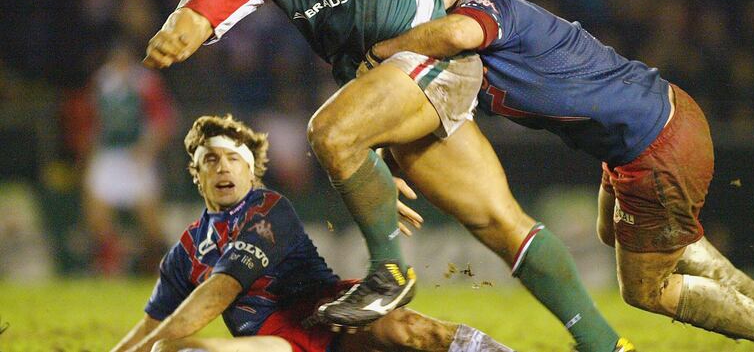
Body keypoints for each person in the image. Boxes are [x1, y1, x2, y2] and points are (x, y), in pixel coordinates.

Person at [143, 0, 633, 352]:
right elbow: (200, 8)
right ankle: (604, 344)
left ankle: (389, 270)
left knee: (330, 131)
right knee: (499, 222)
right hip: (393, 87)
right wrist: (179, 30)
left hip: (435, 56)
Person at [366, 0, 754, 348]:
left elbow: (457, 34)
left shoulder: (483, 8)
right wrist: (391, 165)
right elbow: (428, 111)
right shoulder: (457, 54)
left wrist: (384, 50)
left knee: (647, 290)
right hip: (650, 126)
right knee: (611, 231)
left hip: (653, 145)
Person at [110, 114, 514, 352]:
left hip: (328, 316)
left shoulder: (269, 211)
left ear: (251, 171)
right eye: (210, 160)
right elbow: (153, 323)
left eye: (234, 158)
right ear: (196, 175)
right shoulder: (185, 251)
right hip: (275, 344)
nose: (222, 167)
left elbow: (219, 292)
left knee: (409, 329)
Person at [84, 39, 175, 275]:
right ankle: (111, 264)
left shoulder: (146, 83)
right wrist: (90, 154)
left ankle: (167, 267)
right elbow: (94, 122)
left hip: (137, 155)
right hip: (108, 153)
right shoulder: (101, 82)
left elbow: (164, 120)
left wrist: (148, 148)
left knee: (151, 221)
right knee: (96, 215)